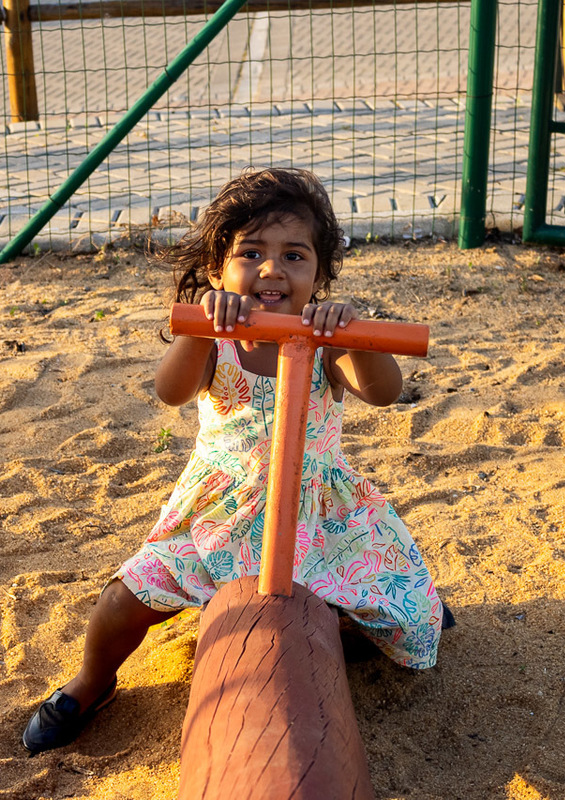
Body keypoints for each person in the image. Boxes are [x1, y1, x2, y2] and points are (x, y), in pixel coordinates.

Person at [22, 167, 449, 755]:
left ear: (320, 274)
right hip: (219, 513)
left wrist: (351, 335)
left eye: (295, 256)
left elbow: (383, 391)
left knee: (406, 608)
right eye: (252, 253)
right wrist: (199, 329)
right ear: (220, 268)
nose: (272, 270)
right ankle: (91, 683)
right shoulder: (216, 342)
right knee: (121, 602)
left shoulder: (325, 343)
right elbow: (171, 391)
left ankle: (351, 624)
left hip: (317, 518)